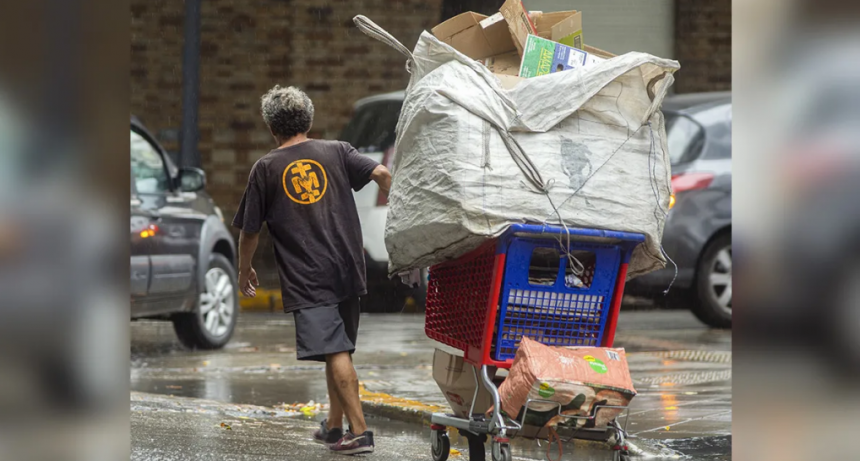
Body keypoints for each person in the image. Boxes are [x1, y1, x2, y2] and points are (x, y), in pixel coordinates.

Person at [232, 85, 391, 456]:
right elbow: (382, 173)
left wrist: (244, 270)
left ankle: (360, 432)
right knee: (338, 348)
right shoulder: (337, 150)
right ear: (309, 119)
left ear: (272, 127)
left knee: (335, 351)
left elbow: (250, 231)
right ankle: (335, 428)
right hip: (349, 267)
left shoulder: (266, 168)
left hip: (310, 274)